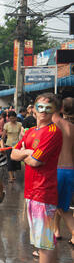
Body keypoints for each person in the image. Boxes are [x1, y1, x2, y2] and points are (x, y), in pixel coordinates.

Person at [12, 93, 63, 263]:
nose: (42, 112)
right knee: (42, 238)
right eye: (39, 107)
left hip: (44, 191)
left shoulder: (52, 132)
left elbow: (35, 161)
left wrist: (25, 153)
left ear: (55, 111)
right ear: (33, 108)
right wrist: (26, 153)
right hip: (32, 190)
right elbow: (15, 154)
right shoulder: (31, 131)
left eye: (47, 108)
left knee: (44, 240)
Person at [52, 97, 74, 246]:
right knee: (62, 205)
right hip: (70, 169)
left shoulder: (52, 125)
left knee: (54, 206)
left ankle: (48, 242)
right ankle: (55, 232)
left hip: (56, 169)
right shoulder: (71, 126)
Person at [3, 111, 22, 182]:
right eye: (10, 118)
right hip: (9, 145)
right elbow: (3, 135)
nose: (12, 120)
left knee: (16, 160)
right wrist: (1, 144)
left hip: (17, 145)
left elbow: (22, 134)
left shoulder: (20, 124)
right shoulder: (6, 125)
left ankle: (14, 174)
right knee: (9, 160)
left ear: (16, 118)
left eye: (13, 118)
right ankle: (11, 177)